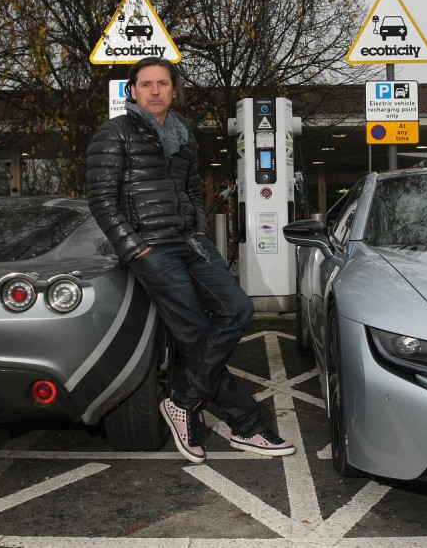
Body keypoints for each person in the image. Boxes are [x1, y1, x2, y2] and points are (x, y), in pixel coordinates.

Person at [86, 56, 295, 464]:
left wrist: (199, 229)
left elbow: (194, 190)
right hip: (151, 248)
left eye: (163, 83)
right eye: (146, 84)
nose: (155, 91)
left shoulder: (183, 136)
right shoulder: (114, 133)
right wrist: (136, 249)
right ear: (132, 90)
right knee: (198, 333)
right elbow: (102, 201)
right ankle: (248, 426)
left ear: (174, 89)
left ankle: (183, 401)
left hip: (190, 242)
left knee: (239, 309)